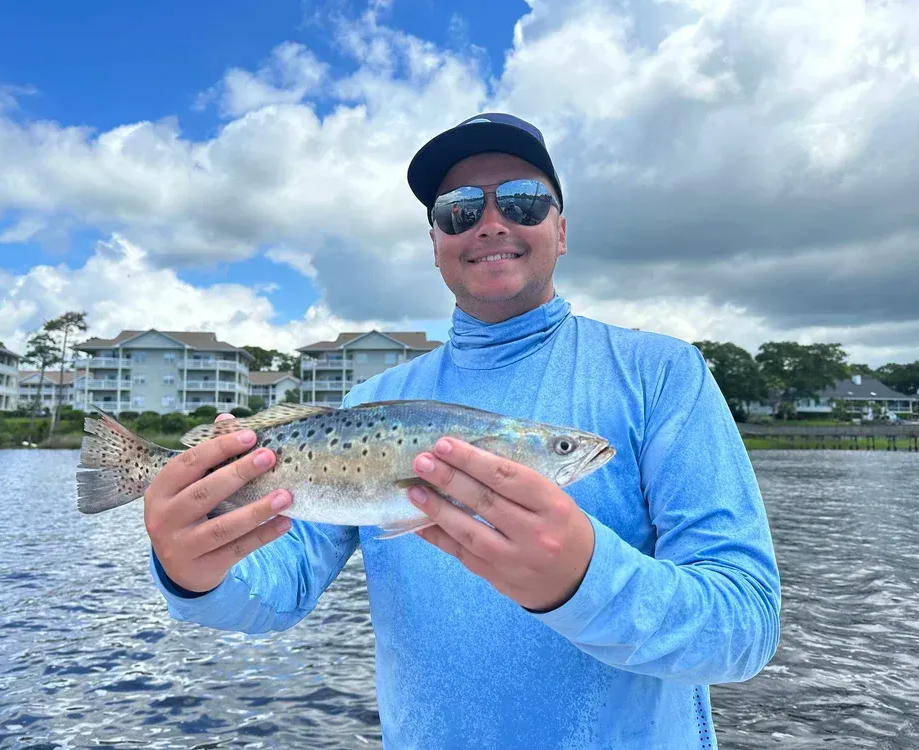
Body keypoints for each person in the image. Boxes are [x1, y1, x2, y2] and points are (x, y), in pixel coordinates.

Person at [143, 112, 782, 749]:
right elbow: (276, 589)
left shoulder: (662, 373)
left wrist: (584, 580)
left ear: (561, 230)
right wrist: (194, 568)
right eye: (458, 210)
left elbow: (744, 625)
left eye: (525, 202)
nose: (491, 223)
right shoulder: (372, 401)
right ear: (436, 242)